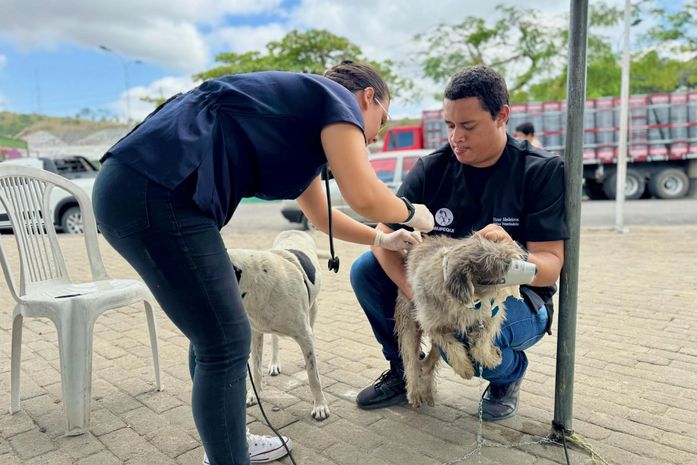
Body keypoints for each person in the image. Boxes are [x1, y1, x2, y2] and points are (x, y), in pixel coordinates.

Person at [92, 61, 435, 465]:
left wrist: (381, 237)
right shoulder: (337, 99)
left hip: (138, 188)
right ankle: (228, 454)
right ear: (367, 97)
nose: (377, 136)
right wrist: (414, 214)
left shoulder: (304, 123)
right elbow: (363, 196)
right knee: (225, 340)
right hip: (156, 193)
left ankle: (227, 441)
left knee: (213, 331)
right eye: (382, 119)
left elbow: (320, 214)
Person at [350, 65, 568, 421]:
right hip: (437, 291)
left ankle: (507, 375)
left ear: (502, 117)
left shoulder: (540, 171)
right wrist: (418, 297)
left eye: (468, 126)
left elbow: (549, 267)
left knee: (465, 338)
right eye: (450, 126)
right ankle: (404, 370)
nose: (456, 137)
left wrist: (512, 257)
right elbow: (382, 238)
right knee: (366, 269)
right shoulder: (431, 169)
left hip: (518, 299)